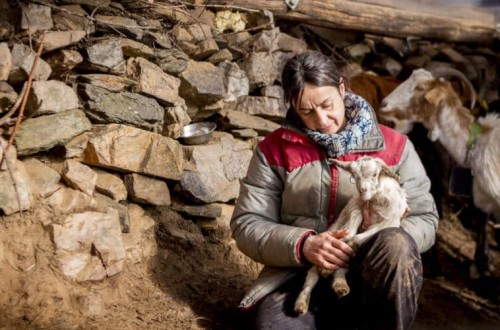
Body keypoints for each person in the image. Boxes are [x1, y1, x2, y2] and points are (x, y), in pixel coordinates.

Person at [230, 51, 438, 330]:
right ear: (292, 105)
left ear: (342, 88)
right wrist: (303, 245)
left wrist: (383, 230)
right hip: (300, 276)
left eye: (327, 104)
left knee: (396, 243)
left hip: (370, 277)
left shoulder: (395, 146)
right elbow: (248, 223)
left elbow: (425, 218)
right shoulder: (274, 149)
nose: (322, 119)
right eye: (307, 111)